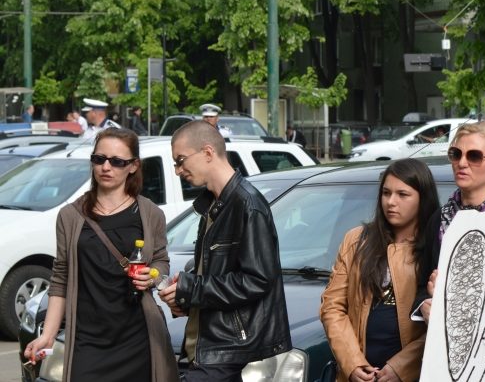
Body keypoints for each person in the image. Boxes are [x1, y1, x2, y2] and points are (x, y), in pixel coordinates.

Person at [24, 128, 177, 381]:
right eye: (99, 159)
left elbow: (160, 260)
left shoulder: (150, 213)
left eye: (117, 162)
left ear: (133, 166)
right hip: (87, 339)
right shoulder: (70, 216)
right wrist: (48, 335)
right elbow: (60, 278)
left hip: (137, 337)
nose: (106, 167)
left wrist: (153, 276)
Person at [158, 121, 290, 381]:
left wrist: (192, 288)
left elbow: (257, 279)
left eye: (181, 160)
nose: (177, 170)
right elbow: (215, 277)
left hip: (226, 354)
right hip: (202, 352)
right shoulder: (214, 205)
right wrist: (184, 296)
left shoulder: (247, 205)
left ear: (207, 152)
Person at [320, 159, 440, 382]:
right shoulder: (356, 240)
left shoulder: (436, 245)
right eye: (386, 193)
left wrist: (401, 368)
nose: (391, 202)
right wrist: (353, 364)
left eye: (403, 195)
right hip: (359, 372)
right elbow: (332, 306)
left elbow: (440, 321)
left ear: (422, 198)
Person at [417, 120, 485, 319]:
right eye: (456, 154)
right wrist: (424, 306)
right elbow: (421, 285)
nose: (461, 163)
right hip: (449, 341)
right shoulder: (439, 219)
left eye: (474, 156)